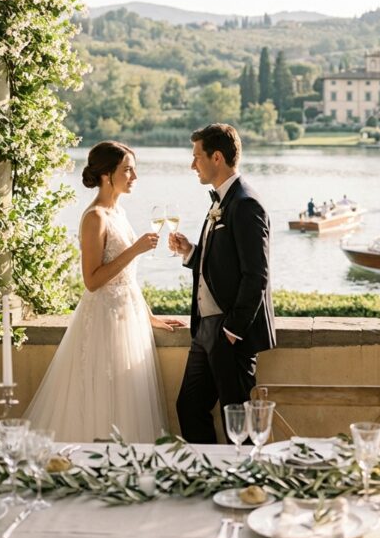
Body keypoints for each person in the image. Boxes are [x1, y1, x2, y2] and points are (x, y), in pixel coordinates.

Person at [23, 142, 181, 442]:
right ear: (107, 175)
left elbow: (128, 279)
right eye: (128, 170)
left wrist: (149, 317)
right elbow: (92, 281)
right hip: (104, 325)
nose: (134, 176)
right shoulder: (94, 217)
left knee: (128, 400)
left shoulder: (118, 212)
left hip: (129, 321)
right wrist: (135, 250)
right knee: (101, 400)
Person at [170, 124, 276, 443]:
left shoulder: (245, 204)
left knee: (238, 423)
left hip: (230, 333)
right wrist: (190, 252)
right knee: (189, 406)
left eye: (196, 157)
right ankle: (211, 479)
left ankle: (242, 488)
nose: (193, 165)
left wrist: (232, 330)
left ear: (216, 157)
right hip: (204, 330)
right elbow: (222, 263)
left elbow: (257, 274)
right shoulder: (219, 202)